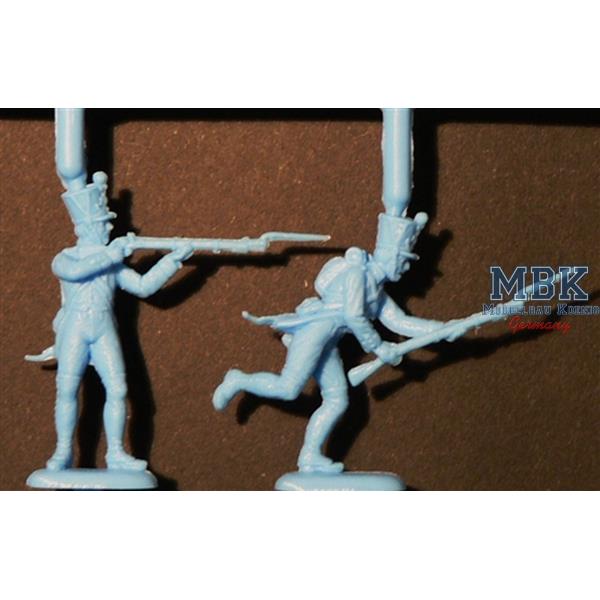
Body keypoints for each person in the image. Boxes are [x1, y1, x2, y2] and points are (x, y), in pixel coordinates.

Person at [213, 210, 462, 474]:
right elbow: (354, 316)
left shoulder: (378, 294)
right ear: (390, 255)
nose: (406, 267)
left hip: (329, 342)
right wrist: (379, 347)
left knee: (337, 400)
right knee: (289, 388)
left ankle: (309, 456)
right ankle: (238, 380)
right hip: (315, 330)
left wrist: (443, 329)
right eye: (404, 260)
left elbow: (400, 322)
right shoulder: (358, 276)